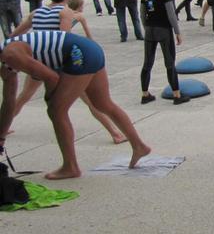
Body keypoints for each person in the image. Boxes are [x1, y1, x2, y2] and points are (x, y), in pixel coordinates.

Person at [0, 29, 151, 179]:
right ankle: (139, 146)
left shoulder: (10, 54)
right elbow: (8, 103)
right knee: (103, 103)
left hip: (78, 54)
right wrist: (1, 137)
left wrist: (51, 101)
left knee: (56, 111)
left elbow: (51, 77)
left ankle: (70, 167)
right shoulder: (8, 62)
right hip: (90, 50)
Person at [8, 0, 127, 146]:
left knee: (24, 96)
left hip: (39, 63)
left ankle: (3, 126)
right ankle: (115, 133)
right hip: (58, 64)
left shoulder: (36, 12)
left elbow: (14, 35)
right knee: (89, 99)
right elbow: (65, 39)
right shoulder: (64, 12)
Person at [139, 0, 188, 105]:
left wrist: (146, 27)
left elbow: (142, 14)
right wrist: (177, 32)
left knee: (147, 63)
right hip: (163, 30)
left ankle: (145, 94)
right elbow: (171, 15)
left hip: (150, 30)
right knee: (169, 62)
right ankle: (176, 94)